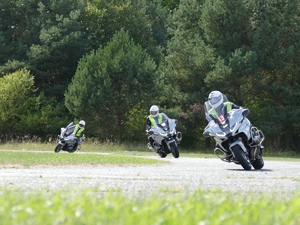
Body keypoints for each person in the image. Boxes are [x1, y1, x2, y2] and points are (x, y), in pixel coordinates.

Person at [205, 90, 263, 160]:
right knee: (217, 140)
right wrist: (207, 130)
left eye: (215, 99)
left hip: (232, 124)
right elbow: (210, 122)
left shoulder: (228, 104)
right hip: (222, 128)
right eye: (212, 100)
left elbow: (238, 108)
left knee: (245, 120)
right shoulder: (211, 112)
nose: (213, 102)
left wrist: (242, 109)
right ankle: (227, 153)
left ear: (220, 98)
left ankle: (254, 136)